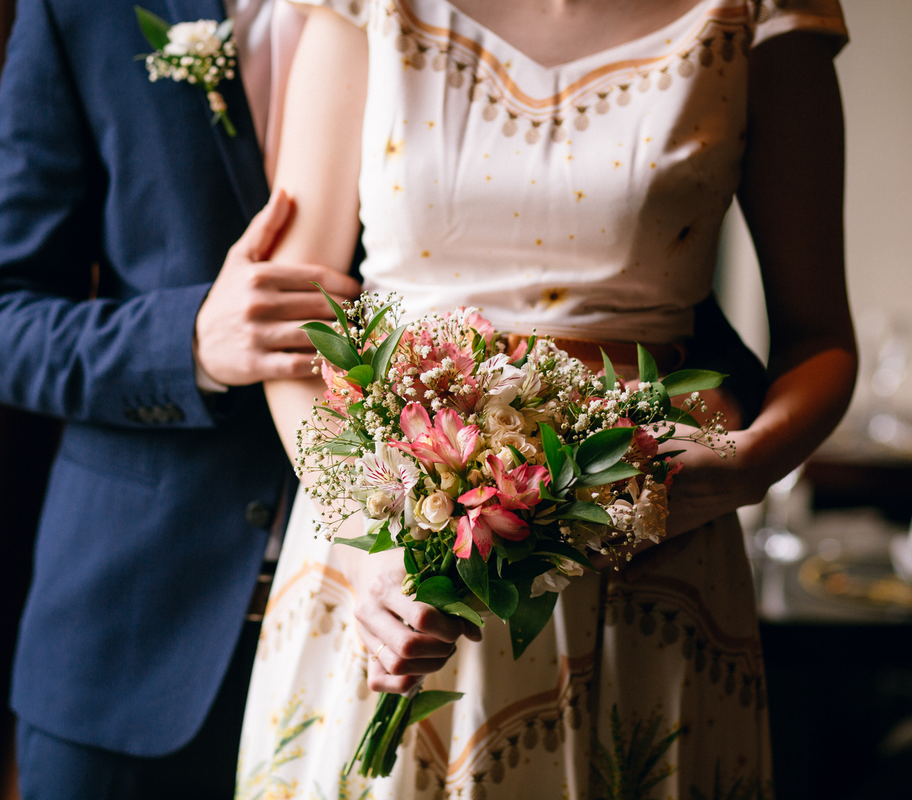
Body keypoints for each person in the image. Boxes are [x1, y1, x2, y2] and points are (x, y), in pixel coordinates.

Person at [236, 0, 857, 797]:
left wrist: (749, 466)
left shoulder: (759, 15)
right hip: (390, 544)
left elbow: (820, 336)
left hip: (647, 535)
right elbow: (291, 330)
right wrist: (377, 542)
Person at [0, 1, 361, 797]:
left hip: (368, 646)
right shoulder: (84, 10)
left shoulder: (451, 20)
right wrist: (190, 343)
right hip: (128, 636)